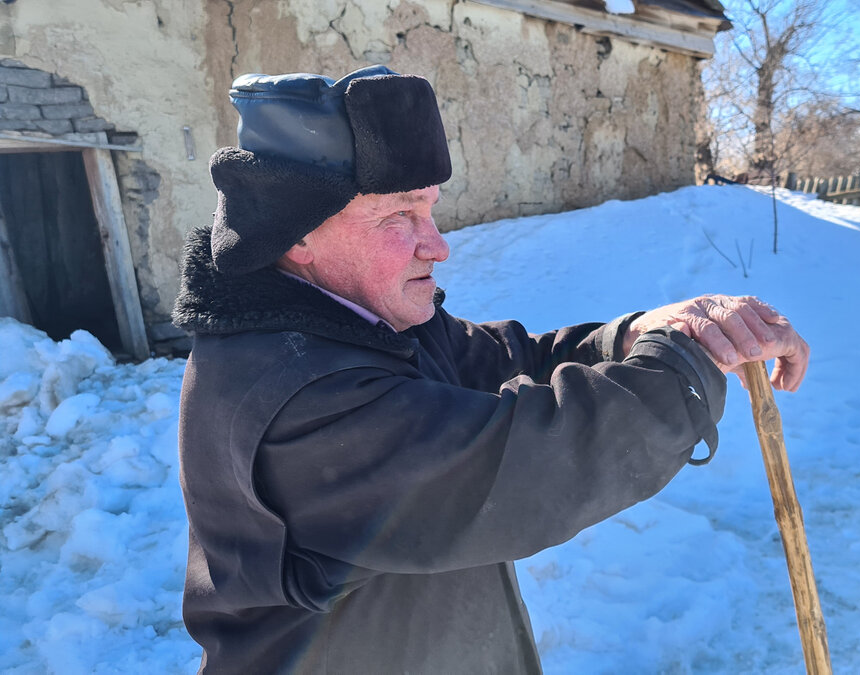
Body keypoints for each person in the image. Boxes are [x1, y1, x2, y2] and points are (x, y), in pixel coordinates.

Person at [173, 66, 809, 674]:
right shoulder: (296, 390)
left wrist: (642, 331)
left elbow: (511, 362)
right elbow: (525, 461)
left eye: (429, 209)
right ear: (298, 235)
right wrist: (686, 366)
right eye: (399, 215)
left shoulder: (367, 321)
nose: (438, 244)